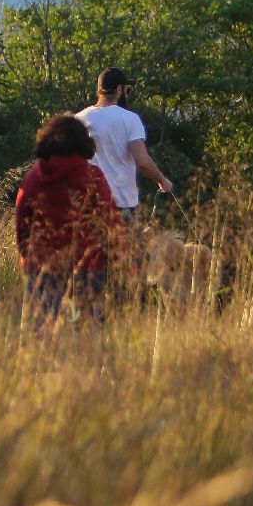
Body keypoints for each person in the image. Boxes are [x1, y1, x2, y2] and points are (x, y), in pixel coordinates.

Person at [14, 113, 128, 321]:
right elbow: (110, 220)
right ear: (82, 142)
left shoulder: (32, 179)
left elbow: (22, 225)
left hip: (44, 267)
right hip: (88, 266)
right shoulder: (92, 176)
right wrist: (121, 258)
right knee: (87, 334)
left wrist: (28, 260)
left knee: (44, 333)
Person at [77, 68, 173, 226]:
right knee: (126, 250)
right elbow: (142, 162)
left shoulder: (79, 119)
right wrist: (162, 181)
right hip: (121, 203)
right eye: (126, 89)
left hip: (87, 204)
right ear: (119, 90)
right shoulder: (130, 119)